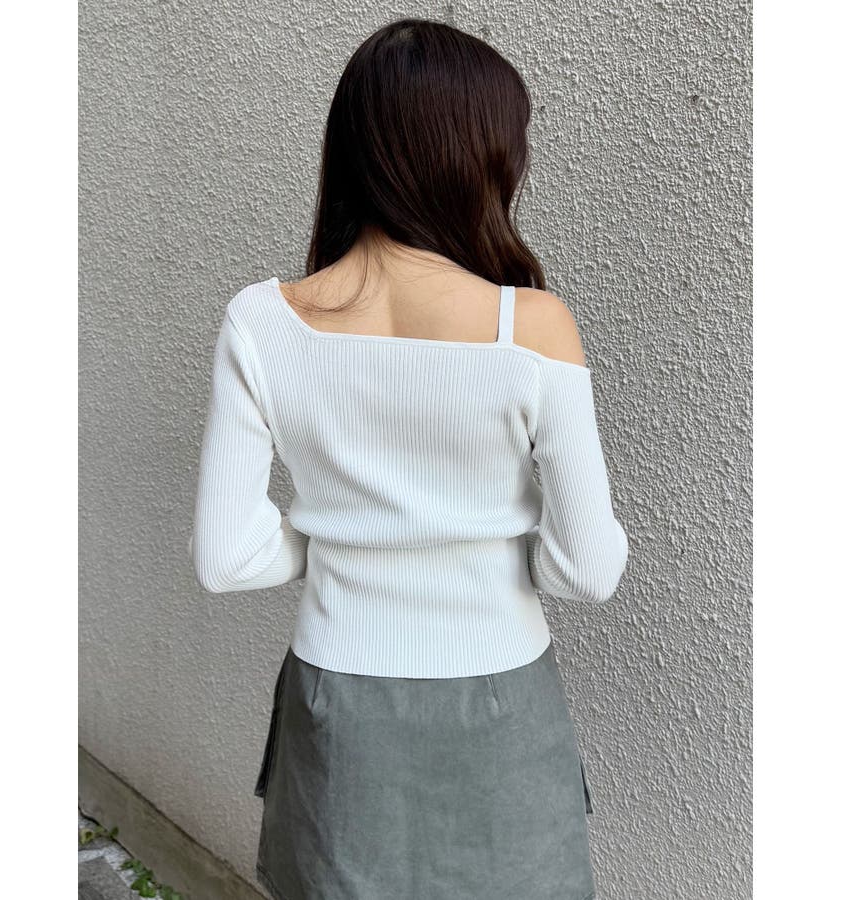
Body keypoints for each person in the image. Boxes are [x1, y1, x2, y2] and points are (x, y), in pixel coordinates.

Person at [190, 17, 628, 900]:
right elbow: (589, 570)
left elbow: (226, 559)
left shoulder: (262, 323)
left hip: (338, 706)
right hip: (501, 699)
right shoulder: (532, 326)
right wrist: (491, 543)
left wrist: (338, 534)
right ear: (479, 158)